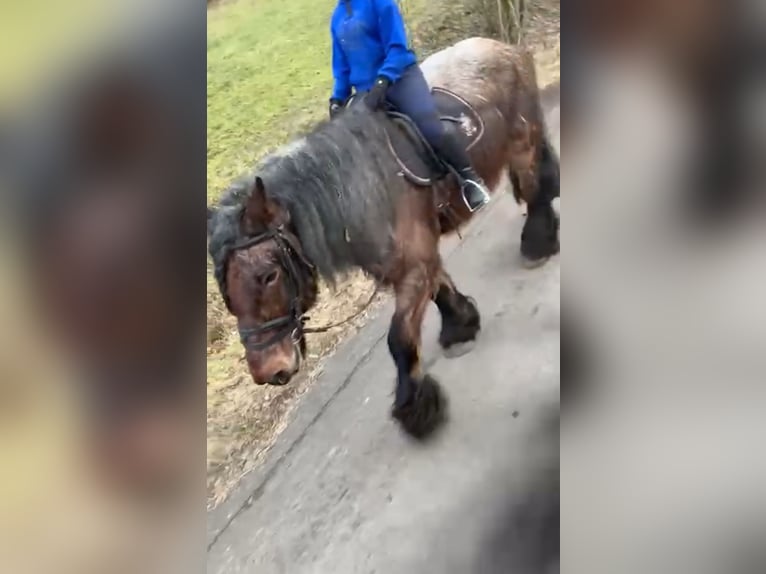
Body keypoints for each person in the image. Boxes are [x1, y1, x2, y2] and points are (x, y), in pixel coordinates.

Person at [328, 0, 491, 212]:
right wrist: (337, 99)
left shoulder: (381, 4)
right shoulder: (337, 18)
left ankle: (470, 180)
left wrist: (383, 82)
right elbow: (341, 68)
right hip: (365, 94)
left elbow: (396, 48)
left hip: (400, 78)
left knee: (431, 129)